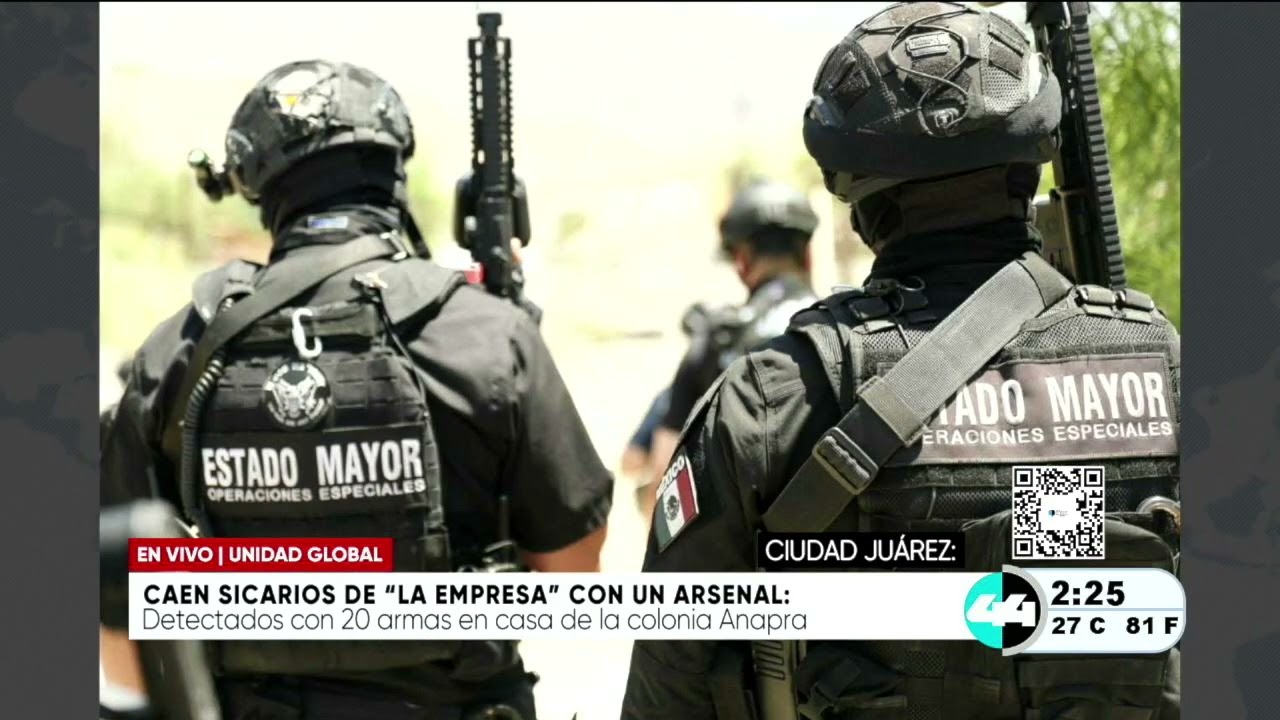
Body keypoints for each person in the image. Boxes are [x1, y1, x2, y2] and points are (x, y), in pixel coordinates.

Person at [622, 3, 1181, 719]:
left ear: (857, 198)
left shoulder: (773, 399)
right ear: (1027, 168)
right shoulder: (1163, 365)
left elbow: (670, 687)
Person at [100, 59, 614, 720]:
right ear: (393, 172)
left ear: (258, 184)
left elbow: (120, 629)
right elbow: (573, 573)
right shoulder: (486, 335)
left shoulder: (177, 353)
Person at [640, 180, 820, 515]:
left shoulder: (717, 340)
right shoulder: (845, 331)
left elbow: (663, 482)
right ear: (808, 255)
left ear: (741, 261)